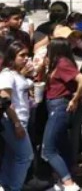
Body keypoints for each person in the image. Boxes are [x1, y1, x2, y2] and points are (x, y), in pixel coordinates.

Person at [42, 34, 82, 191]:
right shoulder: (56, 64)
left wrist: (75, 99)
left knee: (48, 149)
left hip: (59, 107)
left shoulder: (62, 63)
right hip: (54, 106)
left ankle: (68, 183)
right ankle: (64, 179)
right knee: (62, 145)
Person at [0, 42, 35, 191]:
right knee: (26, 157)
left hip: (21, 120)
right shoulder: (6, 75)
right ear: (12, 57)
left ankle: (5, 184)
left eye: (27, 55)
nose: (26, 58)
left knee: (12, 155)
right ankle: (15, 187)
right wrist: (16, 124)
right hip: (12, 121)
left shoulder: (16, 74)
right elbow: (5, 101)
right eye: (22, 55)